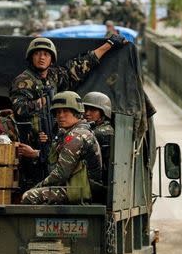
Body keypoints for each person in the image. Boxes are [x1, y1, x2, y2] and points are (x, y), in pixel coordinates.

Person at [10, 35, 126, 187]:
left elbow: (81, 66)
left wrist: (109, 44)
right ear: (31, 57)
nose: (42, 57)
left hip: (52, 141)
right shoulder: (23, 81)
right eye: (37, 53)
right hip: (33, 141)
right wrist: (44, 101)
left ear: (51, 58)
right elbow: (20, 109)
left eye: (46, 54)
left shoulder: (54, 76)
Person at [21, 91, 102, 205]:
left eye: (65, 111)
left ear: (77, 112)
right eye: (58, 112)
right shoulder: (69, 133)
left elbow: (61, 173)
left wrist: (38, 186)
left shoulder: (77, 136)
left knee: (29, 196)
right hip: (75, 187)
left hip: (79, 191)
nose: (60, 115)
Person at [83, 91, 114, 185]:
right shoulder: (95, 128)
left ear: (103, 112)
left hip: (97, 183)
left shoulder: (101, 132)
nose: (87, 113)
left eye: (92, 110)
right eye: (86, 109)